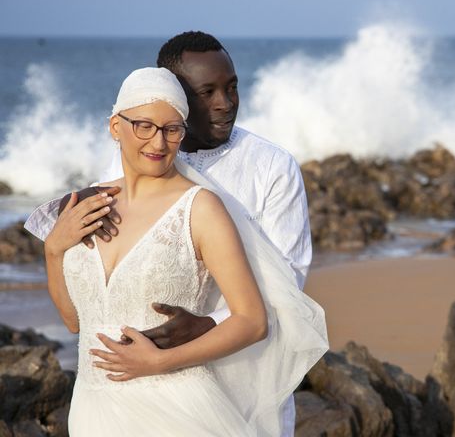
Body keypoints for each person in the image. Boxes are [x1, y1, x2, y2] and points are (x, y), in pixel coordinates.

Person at [25, 31, 312, 435]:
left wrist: (210, 323)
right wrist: (54, 249)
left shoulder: (269, 167)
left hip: (232, 379)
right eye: (206, 92)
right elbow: (85, 303)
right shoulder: (119, 172)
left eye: (231, 88)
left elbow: (287, 279)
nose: (224, 104)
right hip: (102, 405)